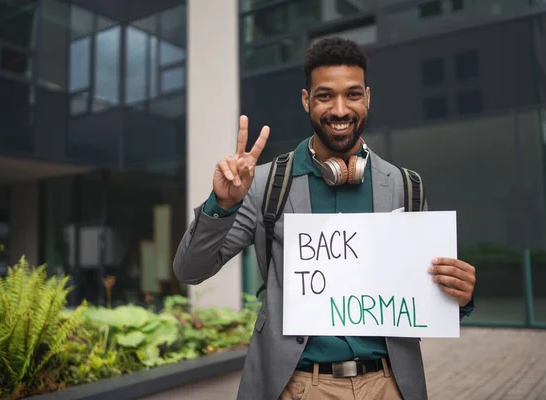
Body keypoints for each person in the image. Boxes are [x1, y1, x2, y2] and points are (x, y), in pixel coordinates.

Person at [173, 37, 476, 400]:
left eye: (352, 94)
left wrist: (460, 294)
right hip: (297, 386)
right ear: (306, 101)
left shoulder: (404, 186)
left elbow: (428, 302)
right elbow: (189, 271)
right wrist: (222, 204)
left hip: (388, 385)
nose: (339, 109)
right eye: (324, 96)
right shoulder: (265, 185)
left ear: (367, 97)